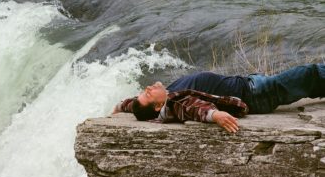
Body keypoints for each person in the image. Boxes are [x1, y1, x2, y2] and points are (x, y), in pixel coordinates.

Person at [113, 63, 325, 133]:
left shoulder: (164, 97)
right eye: (148, 93)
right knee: (310, 74)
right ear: (158, 105)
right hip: (256, 93)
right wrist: (215, 115)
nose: (149, 87)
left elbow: (134, 104)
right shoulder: (175, 103)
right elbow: (194, 108)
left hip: (252, 85)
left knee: (309, 83)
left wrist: (120, 106)